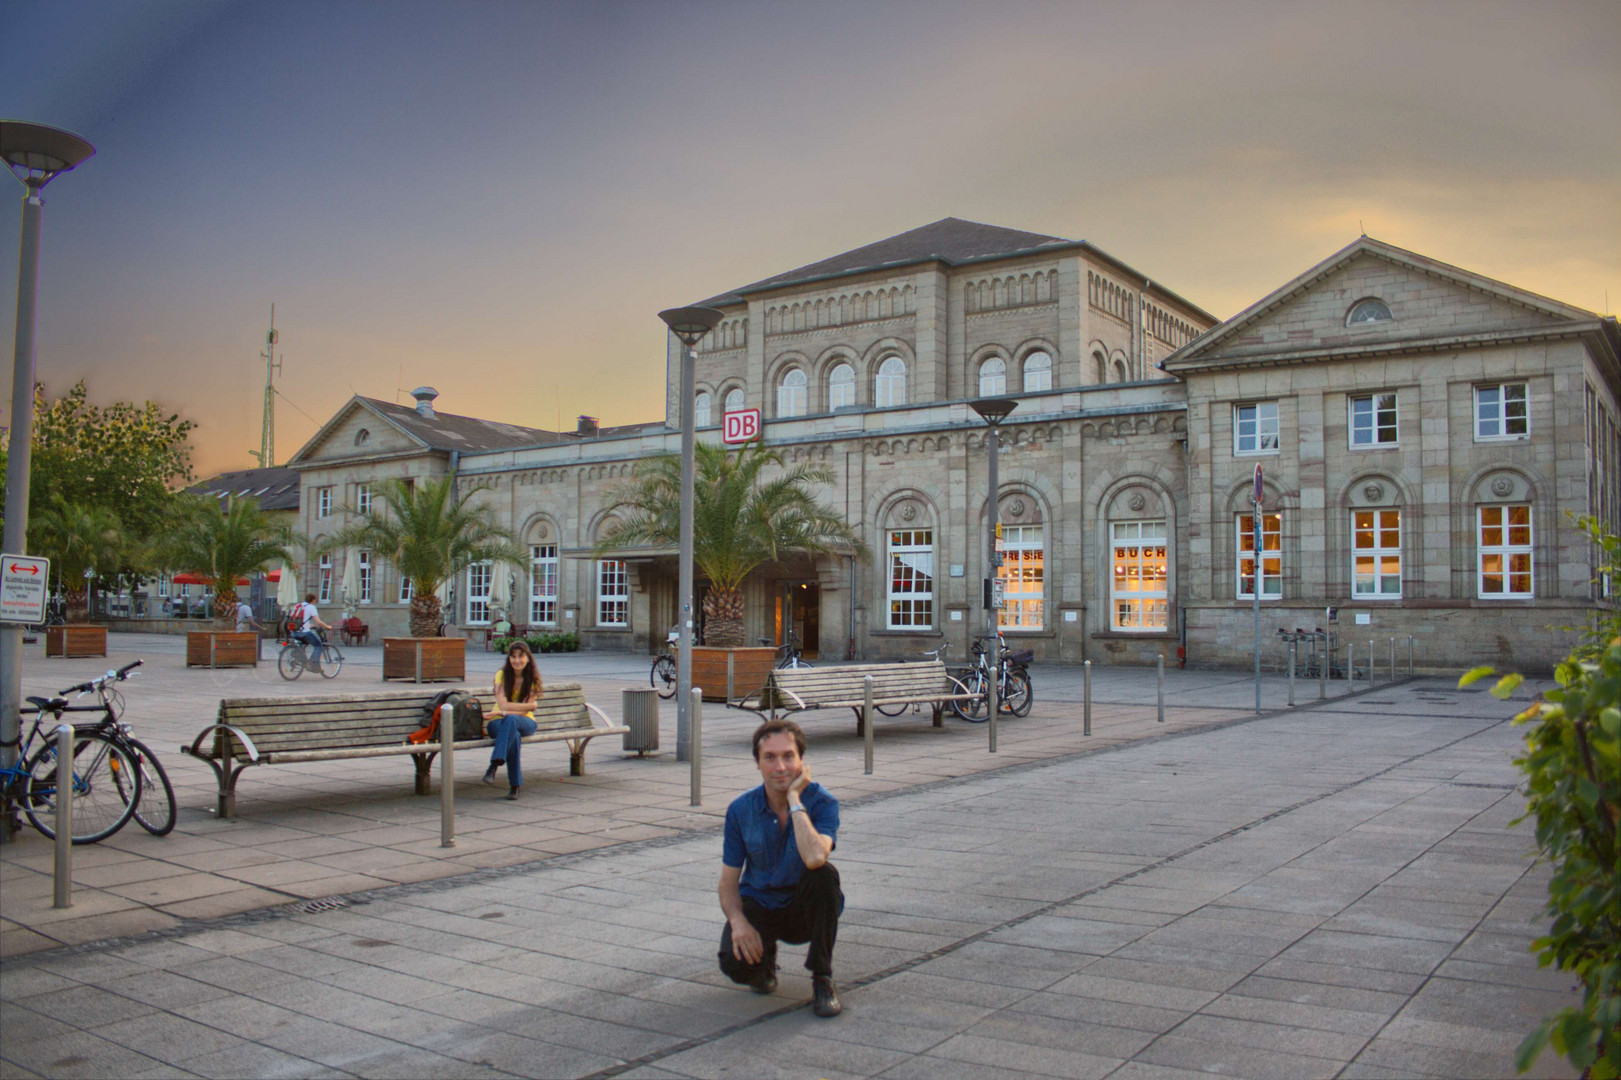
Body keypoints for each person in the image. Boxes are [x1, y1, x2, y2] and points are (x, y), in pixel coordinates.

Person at [718, 719, 843, 1017]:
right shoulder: (740, 810)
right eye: (770, 758)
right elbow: (728, 882)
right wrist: (738, 923)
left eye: (789, 756)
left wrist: (794, 800)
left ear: (802, 761)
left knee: (825, 875)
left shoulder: (823, 802)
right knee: (734, 964)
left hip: (804, 908)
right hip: (760, 904)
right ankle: (764, 964)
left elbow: (814, 858)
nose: (780, 767)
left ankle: (822, 977)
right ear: (757, 763)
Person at [483, 641, 542, 801]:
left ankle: (494, 765)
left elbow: (525, 711)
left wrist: (505, 711)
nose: (517, 660)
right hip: (497, 722)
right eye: (513, 657)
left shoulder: (532, 678)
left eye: (521, 656)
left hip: (526, 722)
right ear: (509, 659)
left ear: (528, 658)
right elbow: (505, 704)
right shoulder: (501, 675)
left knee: (513, 719)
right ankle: (514, 785)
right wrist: (526, 706)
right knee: (513, 733)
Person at [291, 592, 332, 671]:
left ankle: (298, 655)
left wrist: (309, 625)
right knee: (318, 645)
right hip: (304, 632)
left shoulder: (299, 605)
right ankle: (314, 666)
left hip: (294, 631)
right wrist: (327, 627)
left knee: (303, 643)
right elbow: (318, 622)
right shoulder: (311, 607)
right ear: (313, 600)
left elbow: (298, 620)